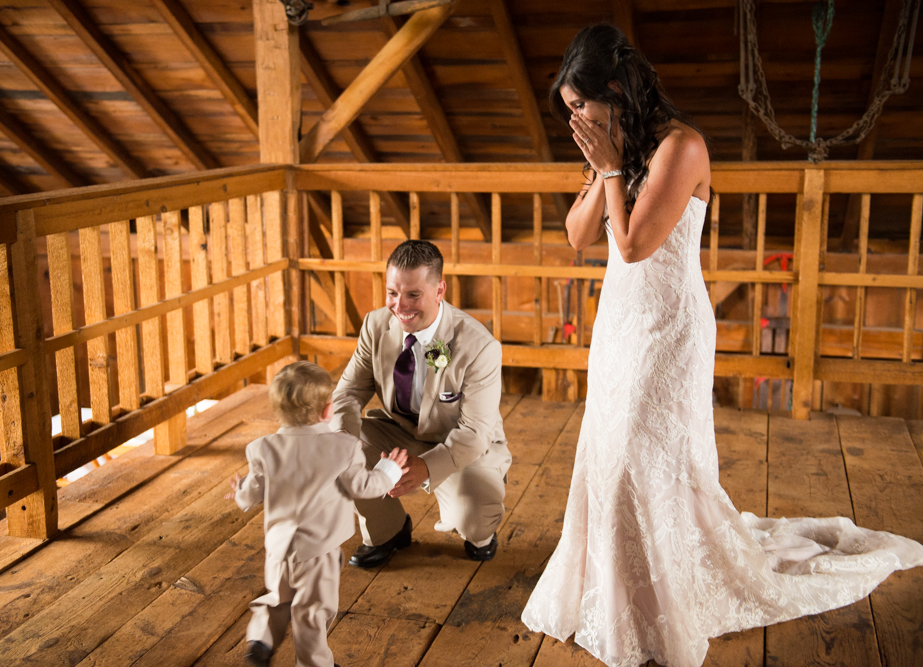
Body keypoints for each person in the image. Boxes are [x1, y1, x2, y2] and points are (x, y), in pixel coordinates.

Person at [521, 23, 923, 667]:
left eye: (580, 105)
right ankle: (615, 591)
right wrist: (603, 170)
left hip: (668, 326)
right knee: (605, 452)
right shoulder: (619, 149)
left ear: (616, 88)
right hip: (620, 321)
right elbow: (579, 237)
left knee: (640, 455)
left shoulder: (682, 148)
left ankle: (668, 596)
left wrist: (611, 168)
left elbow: (632, 245)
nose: (576, 118)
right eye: (568, 110)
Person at [331, 239, 511, 567]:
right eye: (392, 293)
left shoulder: (479, 346)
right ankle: (388, 532)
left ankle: (480, 531)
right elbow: (347, 393)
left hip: (461, 445)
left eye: (414, 295)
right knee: (342, 446)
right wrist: (341, 440)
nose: (400, 306)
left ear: (440, 290)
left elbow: (474, 431)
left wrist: (426, 466)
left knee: (475, 518)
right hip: (398, 433)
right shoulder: (374, 326)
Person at [227, 361, 408, 667]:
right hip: (317, 552)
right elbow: (362, 486)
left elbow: (252, 492)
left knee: (277, 597)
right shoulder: (343, 447)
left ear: (278, 410)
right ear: (328, 411)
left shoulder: (263, 448)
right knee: (313, 609)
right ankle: (314, 663)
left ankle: (260, 639)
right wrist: (389, 470)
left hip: (278, 548)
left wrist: (240, 491)